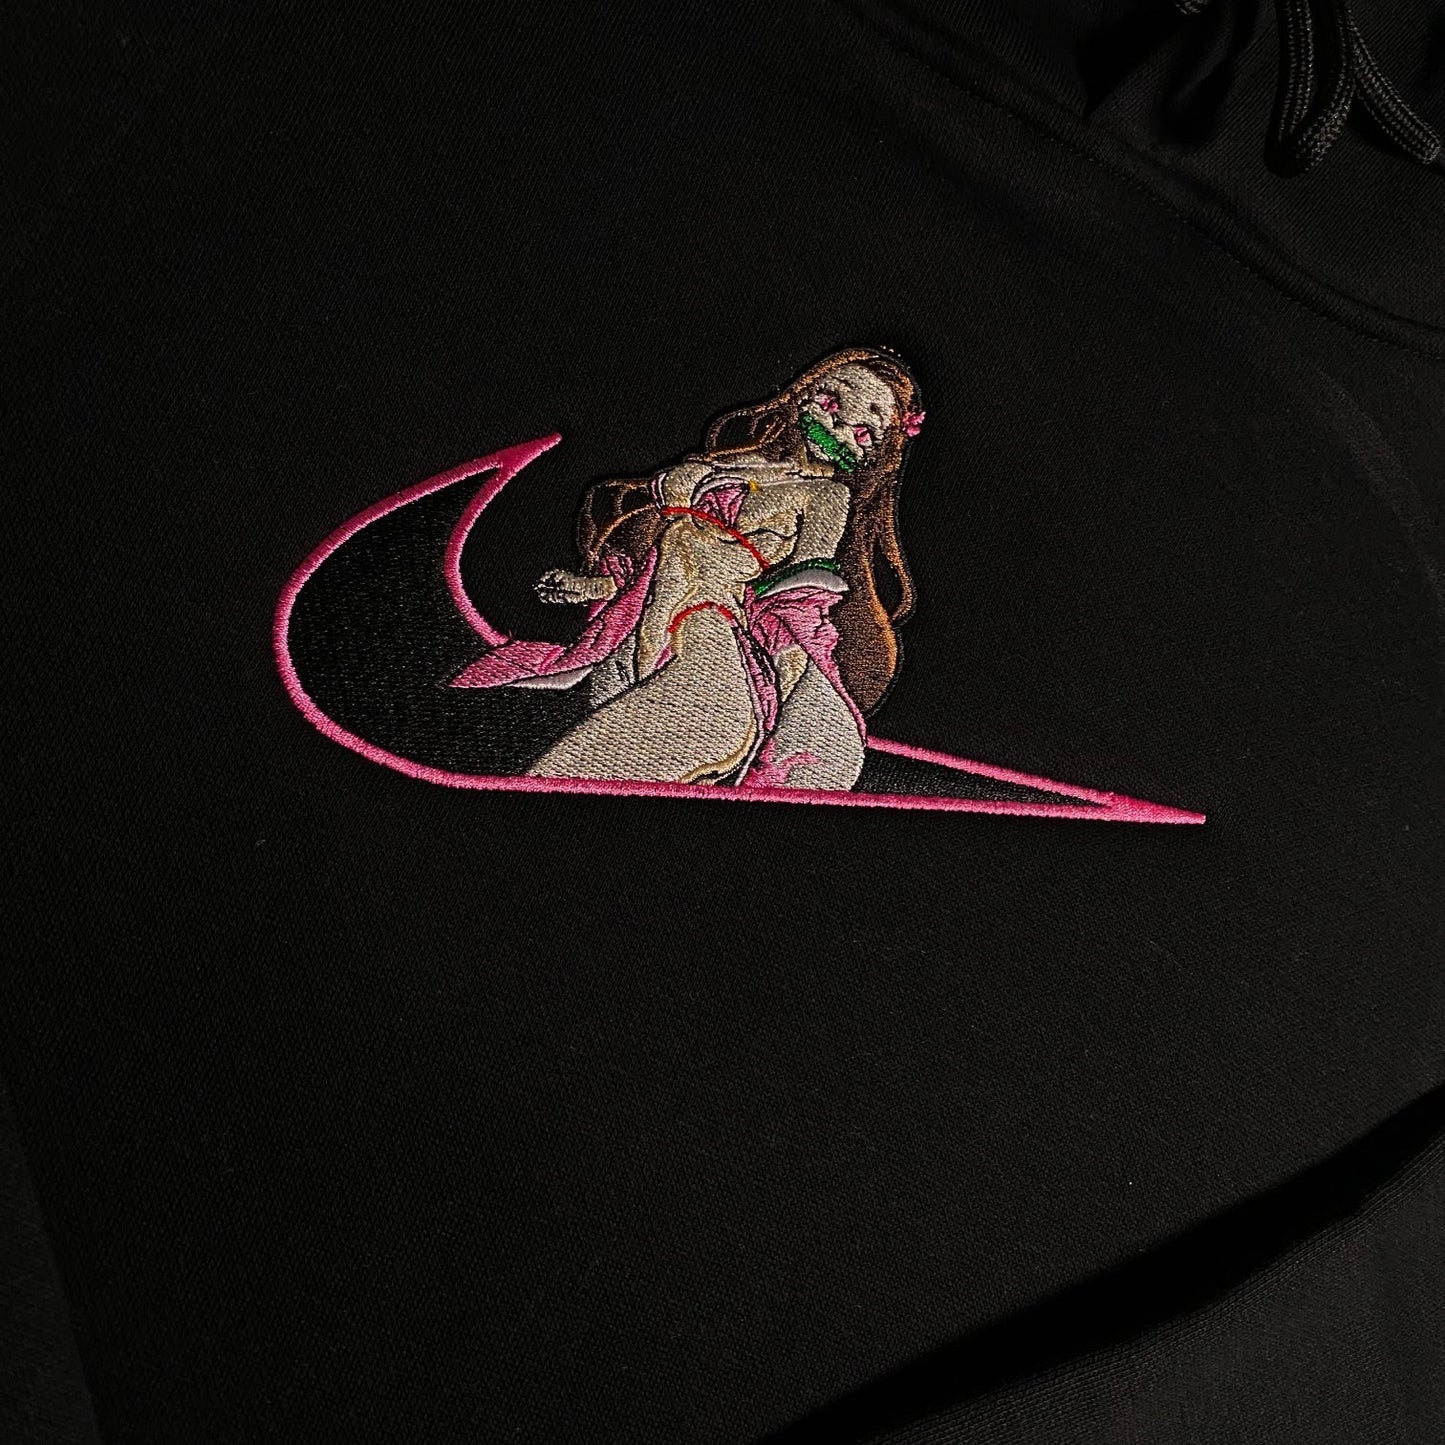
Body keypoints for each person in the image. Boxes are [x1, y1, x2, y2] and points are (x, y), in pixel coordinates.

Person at [452, 348, 924, 788]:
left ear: (878, 449)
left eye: (868, 423)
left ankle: (536, 793)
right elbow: (655, 549)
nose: (842, 421)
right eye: (836, 396)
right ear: (804, 394)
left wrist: (793, 680)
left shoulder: (826, 497)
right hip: (642, 620)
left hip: (711, 620)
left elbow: (799, 595)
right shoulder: (732, 463)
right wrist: (592, 586)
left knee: (709, 716)